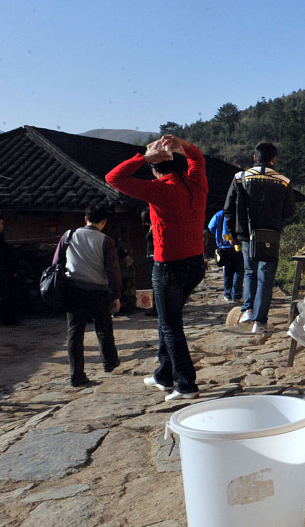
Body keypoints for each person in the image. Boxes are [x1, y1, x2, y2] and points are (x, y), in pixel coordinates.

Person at [106, 135, 208, 401]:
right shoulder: (196, 183)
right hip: (196, 263)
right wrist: (184, 144)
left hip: (169, 267)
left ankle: (186, 384)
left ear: (155, 169)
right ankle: (164, 374)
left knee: (171, 325)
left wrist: (142, 157)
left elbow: (113, 179)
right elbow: (197, 157)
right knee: (167, 320)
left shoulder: (159, 189)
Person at [223, 142, 295, 334]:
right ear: (273, 159)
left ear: (255, 158)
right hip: (270, 235)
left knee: (250, 272)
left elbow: (228, 208)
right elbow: (289, 211)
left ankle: (247, 310)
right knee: (266, 277)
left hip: (246, 235)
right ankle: (259, 322)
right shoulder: (283, 181)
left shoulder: (240, 177)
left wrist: (230, 232)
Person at [54, 204, 121, 387]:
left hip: (73, 289)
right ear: (104, 222)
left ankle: (76, 375)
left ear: (85, 218)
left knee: (75, 332)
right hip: (98, 290)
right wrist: (116, 295)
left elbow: (57, 262)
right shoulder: (106, 241)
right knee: (103, 328)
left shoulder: (68, 235)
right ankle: (109, 363)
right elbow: (112, 271)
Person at [207, 208, 243, 303]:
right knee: (238, 271)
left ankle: (228, 294)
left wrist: (218, 235)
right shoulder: (240, 212)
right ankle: (236, 294)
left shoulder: (220, 214)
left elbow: (211, 226)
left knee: (227, 271)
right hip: (238, 245)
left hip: (224, 247)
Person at [0, 211, 21, 326]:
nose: (2, 226)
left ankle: (9, 318)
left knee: (8, 296)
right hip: (3, 272)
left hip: (4, 272)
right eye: (1, 223)